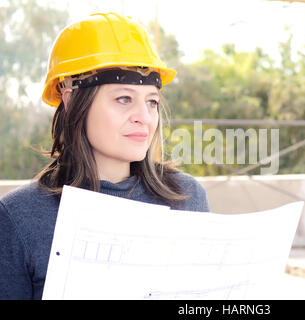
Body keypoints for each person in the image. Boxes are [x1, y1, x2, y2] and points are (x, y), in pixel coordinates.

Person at [0, 12, 210, 300]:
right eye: (124, 99)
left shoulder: (187, 197)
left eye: (151, 102)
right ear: (72, 100)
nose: (144, 118)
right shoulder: (18, 217)